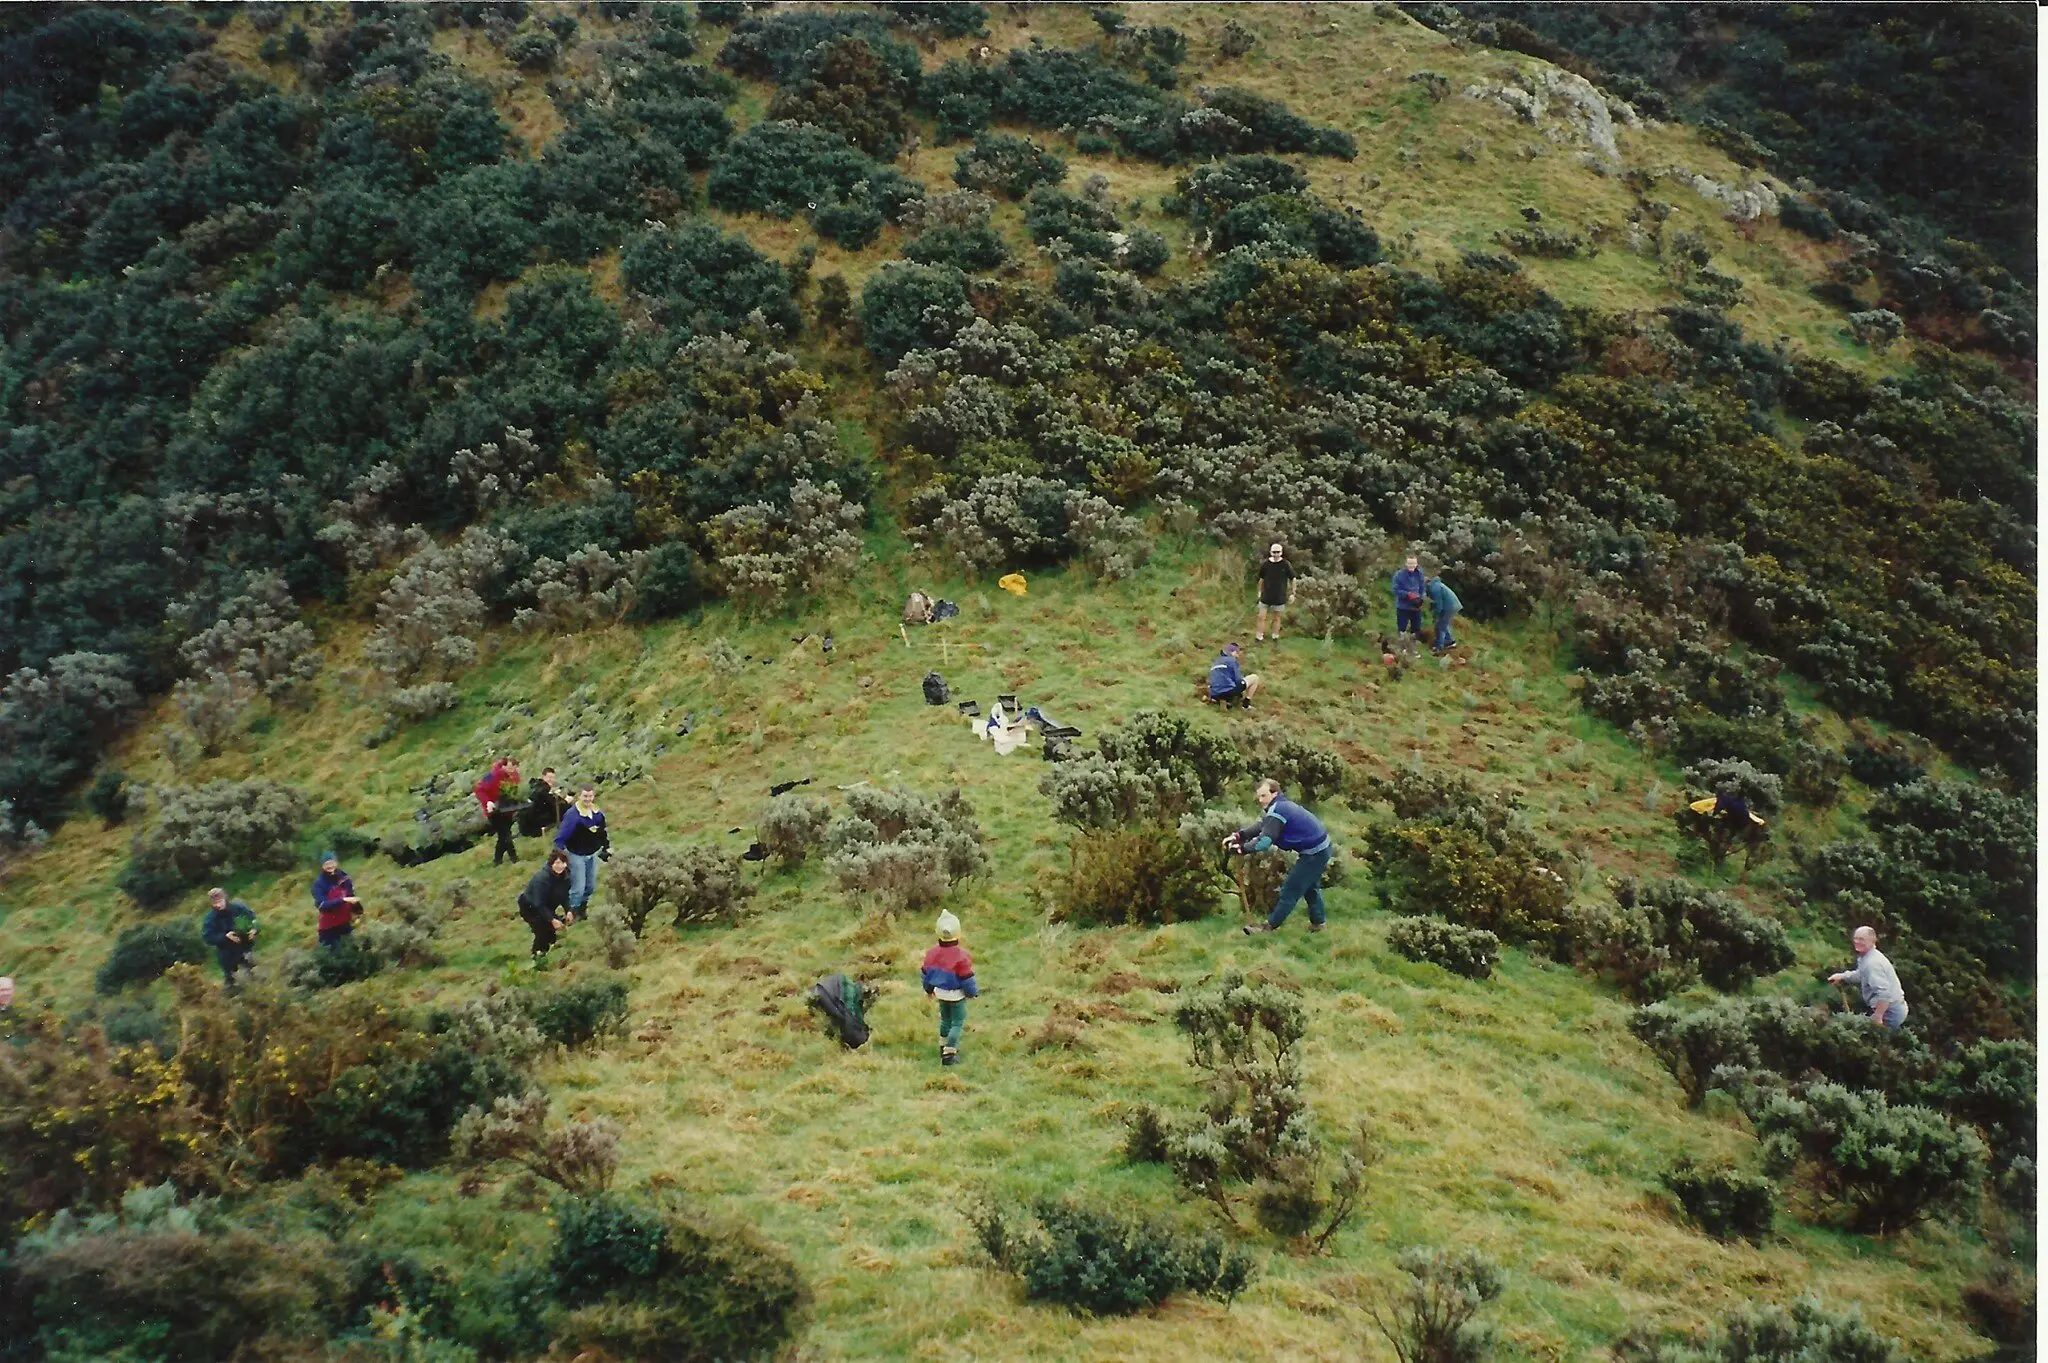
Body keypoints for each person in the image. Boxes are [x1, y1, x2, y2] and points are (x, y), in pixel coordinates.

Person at [1229, 778, 1334, 935]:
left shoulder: (1278, 810)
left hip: (1315, 853)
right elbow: (1263, 825)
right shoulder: (1279, 807)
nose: (1260, 800)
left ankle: (1268, 928)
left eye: (1263, 796)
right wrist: (1240, 835)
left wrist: (1241, 849)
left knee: (1290, 890)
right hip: (1321, 848)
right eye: (1258, 797)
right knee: (1310, 887)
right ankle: (1318, 924)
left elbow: (1264, 841)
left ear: (1274, 793)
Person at [920, 909, 980, 1066]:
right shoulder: (962, 956)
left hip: (940, 993)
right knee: (957, 1022)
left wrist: (928, 990)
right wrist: (972, 993)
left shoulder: (931, 954)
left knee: (945, 1019)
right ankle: (950, 1052)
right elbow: (967, 978)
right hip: (956, 995)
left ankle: (942, 1044)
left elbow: (925, 974)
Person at [1827, 925, 1908, 1030]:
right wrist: (1843, 977)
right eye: (1855, 938)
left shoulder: (1873, 963)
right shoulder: (1866, 956)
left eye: (1861, 939)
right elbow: (1862, 975)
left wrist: (1878, 1018)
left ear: (1872, 941)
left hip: (1890, 1012)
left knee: (1871, 1039)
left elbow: (1884, 994)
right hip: (1886, 1009)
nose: (1857, 941)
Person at [553, 785, 610, 915]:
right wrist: (557, 855)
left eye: (590, 796)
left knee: (590, 886)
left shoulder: (598, 814)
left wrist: (606, 846)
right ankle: (572, 912)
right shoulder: (573, 815)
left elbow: (602, 832)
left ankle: (582, 909)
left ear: (593, 796)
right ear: (580, 796)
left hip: (592, 853)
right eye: (585, 796)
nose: (587, 799)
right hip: (576, 854)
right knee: (578, 888)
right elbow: (561, 836)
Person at [517, 849, 575, 967]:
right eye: (557, 863)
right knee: (541, 931)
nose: (560, 866)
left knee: (551, 935)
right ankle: (537, 959)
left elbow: (564, 895)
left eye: (563, 863)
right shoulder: (542, 879)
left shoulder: (566, 876)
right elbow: (539, 904)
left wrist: (568, 910)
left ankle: (548, 953)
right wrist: (552, 920)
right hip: (530, 907)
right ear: (551, 863)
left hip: (546, 906)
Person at [201, 887, 258, 986]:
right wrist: (225, 936)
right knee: (233, 983)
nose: (218, 905)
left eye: (220, 901)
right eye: (215, 903)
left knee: (255, 976)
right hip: (228, 955)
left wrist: (255, 929)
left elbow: (253, 918)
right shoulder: (210, 919)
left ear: (225, 898)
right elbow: (208, 937)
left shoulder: (238, 908)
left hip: (246, 949)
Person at [474, 756, 522, 866]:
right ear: (503, 766)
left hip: (508, 809)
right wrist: (488, 802)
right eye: (510, 768)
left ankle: (497, 860)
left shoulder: (514, 774)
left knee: (503, 835)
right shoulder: (492, 775)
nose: (512, 771)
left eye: (514, 768)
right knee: (505, 834)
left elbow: (516, 789)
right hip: (493, 810)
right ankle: (514, 859)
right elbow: (479, 790)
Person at [311, 851, 361, 949]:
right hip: (328, 930)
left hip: (345, 926)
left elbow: (351, 896)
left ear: (336, 863)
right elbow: (322, 905)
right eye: (326, 864)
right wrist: (343, 900)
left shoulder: (345, 878)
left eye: (332, 862)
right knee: (331, 960)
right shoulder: (319, 884)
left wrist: (358, 910)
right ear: (322, 866)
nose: (330, 866)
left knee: (352, 954)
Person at [1256, 542, 1295, 643]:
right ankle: (1259, 637)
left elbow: (1293, 578)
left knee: (1276, 618)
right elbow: (1261, 579)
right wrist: (1259, 592)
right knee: (1261, 617)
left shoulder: (1286, 564)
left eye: (1278, 552)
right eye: (1274, 552)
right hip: (1266, 596)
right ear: (1270, 552)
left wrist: (1293, 593)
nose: (1276, 554)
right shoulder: (1266, 564)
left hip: (1279, 596)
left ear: (1281, 553)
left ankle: (1275, 637)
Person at [1207, 642, 1261, 710]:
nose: (1237, 655)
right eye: (1237, 652)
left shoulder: (1216, 662)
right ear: (1233, 652)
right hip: (1228, 691)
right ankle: (1246, 705)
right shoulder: (1232, 660)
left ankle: (1221, 701)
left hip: (1214, 693)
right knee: (1254, 678)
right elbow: (1237, 679)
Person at [521, 766, 569, 839]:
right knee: (566, 810)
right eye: (549, 777)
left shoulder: (538, 786)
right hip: (537, 819)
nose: (551, 780)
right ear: (543, 777)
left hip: (534, 816)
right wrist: (565, 801)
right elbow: (552, 803)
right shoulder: (543, 789)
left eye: (553, 778)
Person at [1392, 553, 1426, 648]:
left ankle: (1412, 649)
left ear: (1416, 564)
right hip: (1403, 607)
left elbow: (1423, 588)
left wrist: (1421, 598)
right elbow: (1395, 590)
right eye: (1409, 563)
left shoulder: (1420, 574)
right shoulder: (1399, 575)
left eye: (1413, 564)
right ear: (1406, 564)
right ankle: (1402, 649)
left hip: (1416, 607)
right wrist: (1407, 595)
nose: (1412, 566)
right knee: (1402, 629)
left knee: (1416, 630)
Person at [1425, 570, 1461, 654]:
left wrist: (1436, 615)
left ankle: (1438, 648)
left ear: (1427, 583)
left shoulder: (1434, 588)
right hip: (1453, 605)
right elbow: (1434, 603)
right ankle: (1450, 642)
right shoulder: (1435, 585)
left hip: (1450, 607)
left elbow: (1439, 604)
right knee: (1444, 624)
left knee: (1440, 626)